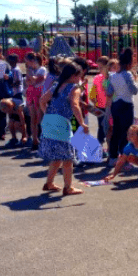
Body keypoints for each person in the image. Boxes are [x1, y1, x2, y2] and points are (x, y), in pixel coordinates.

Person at [38, 59, 85, 196]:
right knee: (68, 158)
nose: (80, 78)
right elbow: (74, 106)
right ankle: (68, 187)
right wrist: (82, 123)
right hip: (62, 123)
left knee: (57, 156)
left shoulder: (57, 85)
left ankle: (49, 183)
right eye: (79, 75)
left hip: (49, 120)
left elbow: (42, 100)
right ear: (74, 76)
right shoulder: (74, 88)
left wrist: (48, 113)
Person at [106, 48, 138, 164]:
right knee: (126, 132)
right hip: (127, 104)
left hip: (116, 104)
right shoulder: (128, 74)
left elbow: (109, 92)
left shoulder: (113, 76)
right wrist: (135, 81)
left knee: (116, 131)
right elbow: (134, 90)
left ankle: (113, 157)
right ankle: (124, 158)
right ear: (130, 63)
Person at [24, 52, 48, 149]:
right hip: (31, 93)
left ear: (32, 61)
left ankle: (41, 138)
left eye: (27, 62)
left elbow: (35, 81)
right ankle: (34, 139)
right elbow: (28, 82)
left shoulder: (42, 69)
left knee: (39, 118)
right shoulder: (31, 70)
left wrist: (31, 78)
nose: (27, 65)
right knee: (32, 118)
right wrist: (31, 78)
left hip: (39, 94)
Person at [89, 56, 110, 149]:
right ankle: (100, 147)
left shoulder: (111, 78)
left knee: (110, 128)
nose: (99, 69)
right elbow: (93, 92)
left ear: (107, 66)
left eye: (101, 67)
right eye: (98, 67)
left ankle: (110, 148)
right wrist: (92, 98)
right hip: (100, 106)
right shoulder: (97, 78)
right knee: (101, 127)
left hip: (110, 107)